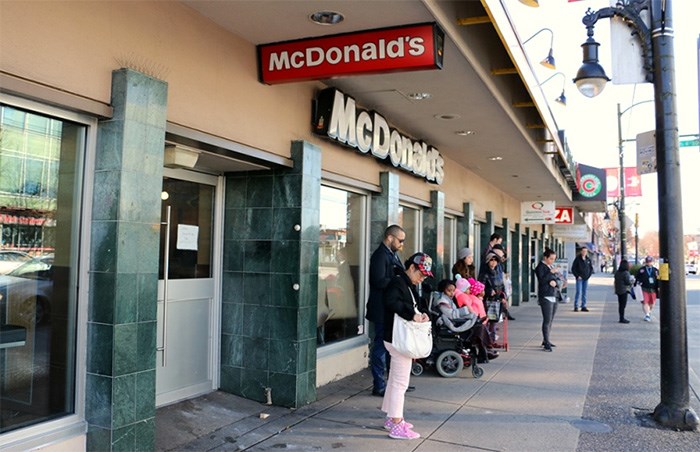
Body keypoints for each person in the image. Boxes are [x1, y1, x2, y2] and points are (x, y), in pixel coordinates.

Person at [381, 252, 432, 439]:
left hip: (394, 337)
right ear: (412, 268)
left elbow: (409, 304)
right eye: (421, 274)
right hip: (399, 339)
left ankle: (391, 417)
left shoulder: (404, 282)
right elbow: (391, 302)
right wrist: (413, 315)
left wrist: (421, 313)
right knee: (400, 382)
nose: (422, 278)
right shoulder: (399, 282)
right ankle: (396, 423)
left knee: (395, 379)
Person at [366, 225, 405, 397]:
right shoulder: (380, 255)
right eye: (400, 240)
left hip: (389, 308)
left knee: (391, 347)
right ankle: (379, 384)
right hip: (380, 309)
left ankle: (392, 383)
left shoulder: (392, 254)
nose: (401, 244)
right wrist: (397, 280)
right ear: (390, 237)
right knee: (380, 347)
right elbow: (378, 281)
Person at [437, 278, 498, 363]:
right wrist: (466, 311)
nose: (452, 293)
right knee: (479, 328)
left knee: (479, 326)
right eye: (449, 291)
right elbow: (452, 315)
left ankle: (484, 350)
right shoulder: (442, 302)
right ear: (443, 290)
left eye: (453, 290)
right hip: (452, 326)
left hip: (455, 322)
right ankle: (484, 351)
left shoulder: (448, 300)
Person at [535, 248, 563, 352]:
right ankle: (546, 342)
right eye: (551, 258)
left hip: (554, 294)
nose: (552, 261)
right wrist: (550, 273)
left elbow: (555, 278)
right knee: (547, 319)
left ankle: (546, 339)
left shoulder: (550, 266)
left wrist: (555, 281)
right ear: (545, 257)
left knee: (551, 319)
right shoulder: (540, 267)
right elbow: (542, 280)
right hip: (546, 295)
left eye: (554, 259)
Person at [635, 256, 659, 322]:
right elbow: (637, 278)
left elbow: (658, 279)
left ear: (652, 262)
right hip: (644, 288)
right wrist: (637, 284)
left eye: (650, 262)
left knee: (652, 303)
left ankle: (648, 311)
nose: (649, 263)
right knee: (645, 302)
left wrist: (659, 287)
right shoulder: (641, 270)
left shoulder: (655, 270)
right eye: (647, 262)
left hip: (653, 289)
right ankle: (647, 314)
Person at [571, 246, 594, 312]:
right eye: (583, 251)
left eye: (585, 251)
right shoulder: (577, 259)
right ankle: (576, 306)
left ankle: (583, 306)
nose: (584, 252)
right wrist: (577, 276)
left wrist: (588, 276)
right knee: (578, 292)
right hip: (579, 279)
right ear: (581, 251)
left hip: (585, 279)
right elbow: (573, 268)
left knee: (584, 292)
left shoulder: (588, 259)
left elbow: (591, 269)